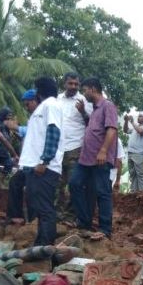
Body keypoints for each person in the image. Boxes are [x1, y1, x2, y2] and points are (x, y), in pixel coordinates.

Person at [69, 77, 118, 239]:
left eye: (85, 90)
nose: (84, 94)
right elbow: (92, 125)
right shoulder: (95, 110)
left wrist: (103, 150)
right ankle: (84, 222)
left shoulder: (107, 106)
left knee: (103, 192)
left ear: (93, 89)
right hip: (86, 158)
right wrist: (83, 112)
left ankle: (105, 230)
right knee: (74, 183)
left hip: (100, 158)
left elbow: (111, 129)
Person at [18, 78, 64, 245]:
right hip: (36, 166)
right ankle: (41, 243)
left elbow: (53, 132)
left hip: (44, 167)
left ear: (39, 91)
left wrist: (45, 161)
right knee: (39, 207)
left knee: (44, 208)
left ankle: (45, 245)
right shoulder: (43, 107)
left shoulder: (51, 105)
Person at [56, 73, 93, 223]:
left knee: (74, 183)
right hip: (59, 147)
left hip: (76, 146)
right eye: (70, 83)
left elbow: (92, 123)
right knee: (58, 183)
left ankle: (70, 216)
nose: (73, 86)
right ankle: (57, 215)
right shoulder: (57, 99)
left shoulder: (84, 100)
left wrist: (83, 111)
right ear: (64, 84)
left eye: (76, 84)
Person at [6, 89, 38, 225]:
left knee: (32, 190)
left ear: (34, 101)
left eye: (27, 104)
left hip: (37, 161)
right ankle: (16, 216)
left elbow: (33, 132)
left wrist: (17, 128)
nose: (26, 107)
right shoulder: (33, 117)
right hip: (28, 162)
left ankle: (34, 221)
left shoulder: (41, 115)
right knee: (15, 182)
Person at [123, 111, 143, 192]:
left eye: (140, 116)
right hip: (131, 153)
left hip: (140, 154)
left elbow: (140, 131)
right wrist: (126, 121)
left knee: (141, 174)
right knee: (133, 174)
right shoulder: (136, 127)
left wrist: (132, 121)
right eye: (138, 116)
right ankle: (134, 193)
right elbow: (125, 130)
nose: (138, 117)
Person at [0, 106, 19, 175]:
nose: (9, 118)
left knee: (9, 164)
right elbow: (3, 139)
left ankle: (1, 179)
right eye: (8, 115)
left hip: (3, 151)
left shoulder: (5, 124)